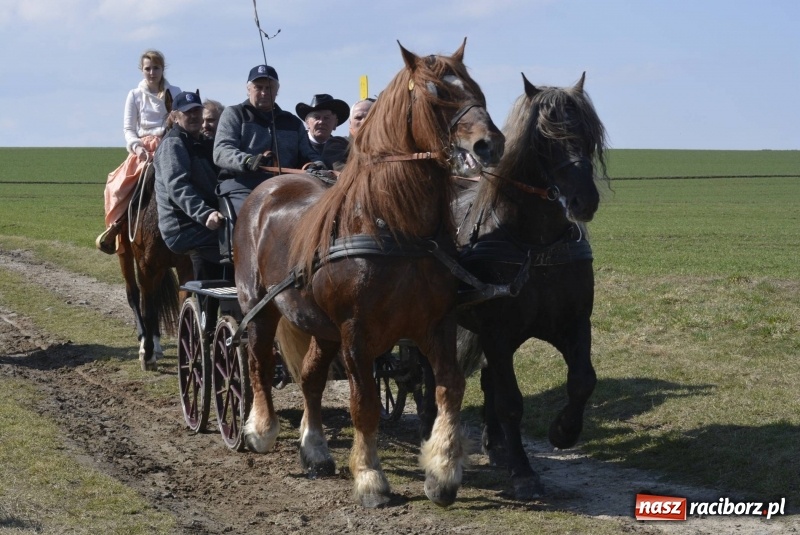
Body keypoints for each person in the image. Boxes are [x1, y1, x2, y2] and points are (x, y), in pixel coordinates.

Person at [97, 49, 181, 254]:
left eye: (156, 68)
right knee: (117, 187)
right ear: (141, 70)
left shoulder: (176, 92)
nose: (152, 72)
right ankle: (117, 228)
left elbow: (181, 120)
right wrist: (138, 148)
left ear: (163, 69)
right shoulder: (134, 95)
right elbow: (128, 128)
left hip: (168, 144)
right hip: (143, 148)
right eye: (148, 68)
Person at [213, 64, 321, 218]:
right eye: (258, 87)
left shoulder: (292, 122)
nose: (264, 92)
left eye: (269, 88)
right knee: (251, 218)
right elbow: (221, 151)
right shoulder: (234, 114)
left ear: (277, 91)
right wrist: (247, 161)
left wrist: (317, 166)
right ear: (248, 89)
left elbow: (309, 154)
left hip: (286, 187)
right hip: (242, 185)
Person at [153, 90, 224, 282]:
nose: (193, 116)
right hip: (183, 227)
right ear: (175, 117)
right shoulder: (173, 144)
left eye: (196, 111)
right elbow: (178, 186)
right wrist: (205, 214)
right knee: (233, 240)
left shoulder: (203, 142)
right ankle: (209, 303)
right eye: (187, 112)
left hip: (199, 222)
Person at [295, 93, 350, 170]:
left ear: (335, 124)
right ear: (307, 123)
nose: (321, 122)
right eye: (316, 117)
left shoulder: (343, 149)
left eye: (326, 118)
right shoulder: (295, 146)